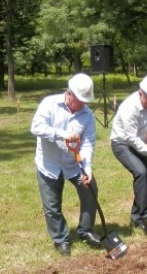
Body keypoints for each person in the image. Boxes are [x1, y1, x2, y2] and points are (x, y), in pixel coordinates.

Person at [30, 73, 101, 256]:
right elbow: (36, 127)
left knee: (90, 189)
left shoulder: (87, 115)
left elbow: (88, 143)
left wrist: (87, 168)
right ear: (69, 93)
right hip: (49, 164)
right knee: (52, 206)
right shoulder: (50, 104)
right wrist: (62, 134)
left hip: (74, 165)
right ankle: (61, 239)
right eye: (80, 100)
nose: (83, 104)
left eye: (86, 101)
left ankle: (85, 231)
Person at [110, 75, 147, 229]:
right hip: (122, 144)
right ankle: (145, 214)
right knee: (140, 172)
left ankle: (136, 218)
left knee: (145, 180)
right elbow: (131, 138)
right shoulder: (129, 107)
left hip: (140, 143)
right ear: (141, 93)